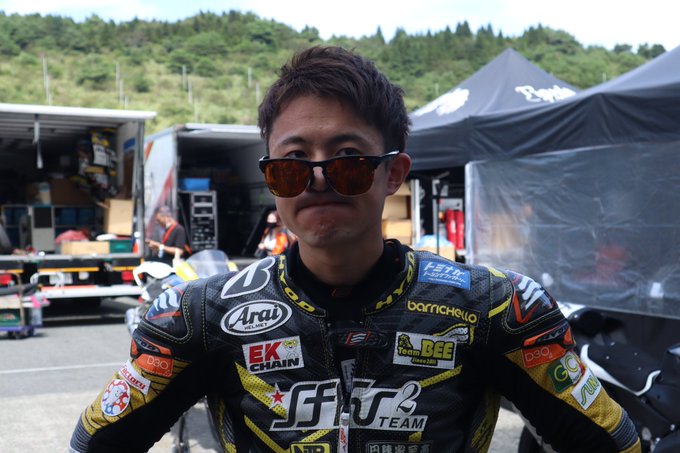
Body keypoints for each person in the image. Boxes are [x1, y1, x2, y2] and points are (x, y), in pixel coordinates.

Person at [69, 46, 640, 453]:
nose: (318, 180)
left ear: (394, 173)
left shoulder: (495, 308)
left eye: (347, 159)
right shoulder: (200, 315)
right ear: (271, 179)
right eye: (294, 162)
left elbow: (613, 443)